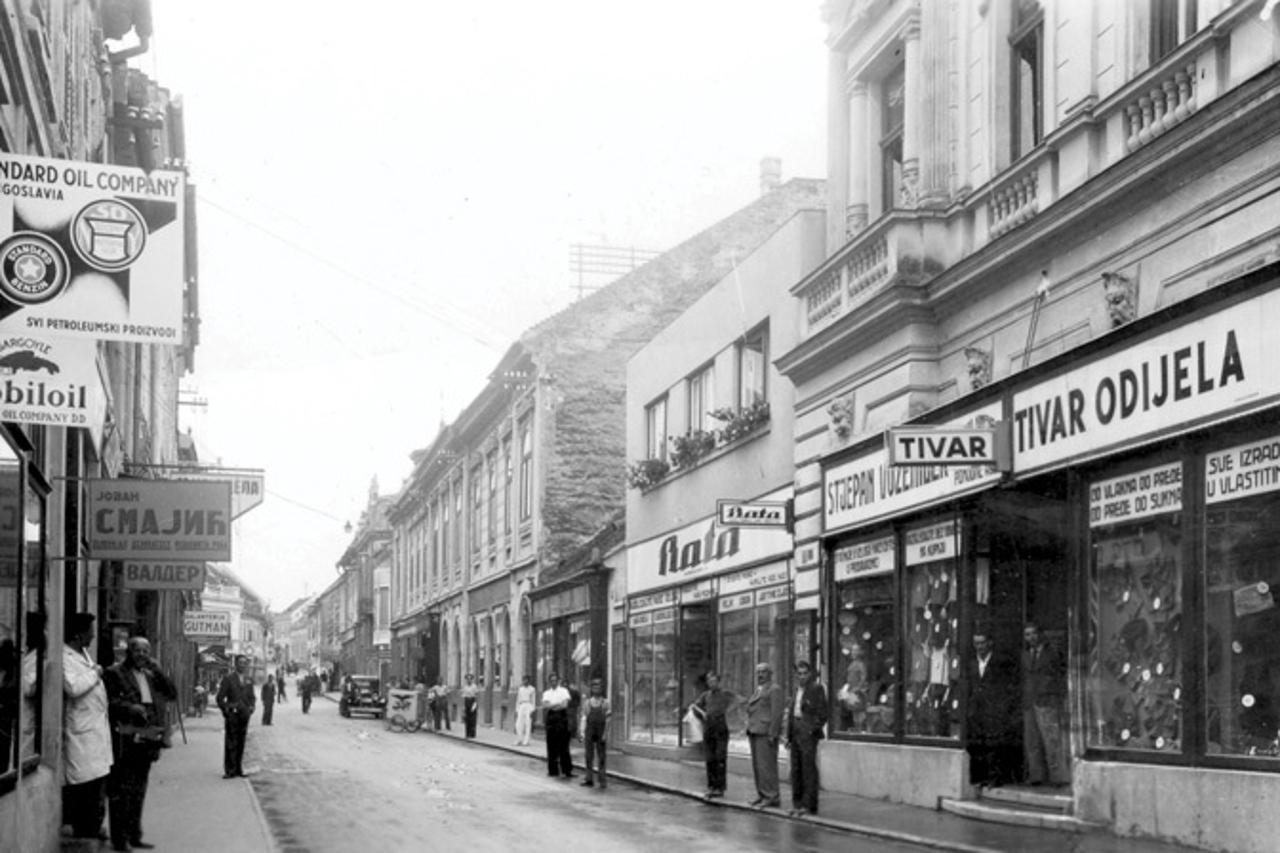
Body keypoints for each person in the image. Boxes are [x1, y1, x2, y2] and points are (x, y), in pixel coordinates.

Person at [103, 636, 176, 852]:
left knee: (139, 789)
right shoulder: (114, 673)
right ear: (128, 652)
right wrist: (129, 709)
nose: (142, 655)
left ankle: (135, 835)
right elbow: (107, 704)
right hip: (125, 738)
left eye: (146, 651)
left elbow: (171, 693)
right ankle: (120, 839)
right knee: (121, 789)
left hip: (147, 738)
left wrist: (159, 670)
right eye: (137, 651)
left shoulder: (150, 675)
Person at [62, 613, 112, 841]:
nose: (93, 636)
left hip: (93, 730)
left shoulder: (82, 654)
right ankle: (86, 832)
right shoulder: (63, 657)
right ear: (78, 634)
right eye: (90, 632)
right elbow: (73, 687)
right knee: (85, 786)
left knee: (97, 783)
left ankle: (93, 827)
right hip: (81, 733)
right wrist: (95, 672)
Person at [968, 631, 1018, 787]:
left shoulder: (1001, 662)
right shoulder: (972, 663)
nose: (979, 647)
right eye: (976, 643)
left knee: (995, 744)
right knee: (980, 743)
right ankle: (982, 777)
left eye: (982, 643)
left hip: (996, 709)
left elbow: (1010, 685)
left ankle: (996, 777)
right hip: (978, 710)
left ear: (989, 643)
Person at [1022, 622, 1067, 786]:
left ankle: (1057, 776)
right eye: (1027, 635)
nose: (1031, 638)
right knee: (1032, 741)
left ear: (1040, 634)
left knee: (1051, 740)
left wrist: (1055, 694)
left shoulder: (1052, 653)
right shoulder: (1025, 655)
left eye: (1033, 633)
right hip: (1029, 701)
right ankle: (1036, 776)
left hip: (1047, 700)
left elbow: (1059, 675)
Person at [785, 660, 828, 817]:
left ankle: (809, 805)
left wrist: (811, 729)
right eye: (799, 673)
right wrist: (789, 735)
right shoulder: (797, 689)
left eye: (804, 673)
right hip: (796, 731)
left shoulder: (816, 689)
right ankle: (797, 804)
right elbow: (792, 712)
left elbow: (823, 713)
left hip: (807, 733)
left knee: (808, 769)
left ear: (810, 674)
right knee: (796, 770)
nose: (802, 676)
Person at [692, 671, 738, 799]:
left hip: (720, 726)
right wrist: (702, 715)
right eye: (709, 681)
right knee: (710, 758)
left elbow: (739, 700)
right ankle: (711, 786)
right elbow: (695, 707)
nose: (712, 683)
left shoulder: (725, 694)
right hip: (709, 727)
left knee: (720, 757)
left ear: (718, 682)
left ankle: (720, 787)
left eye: (714, 681)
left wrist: (728, 711)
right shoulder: (705, 696)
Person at [744, 661, 785, 809]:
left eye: (764, 672)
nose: (760, 675)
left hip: (765, 733)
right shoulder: (758, 689)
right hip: (755, 731)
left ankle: (772, 796)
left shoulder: (774, 689)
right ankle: (762, 794)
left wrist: (773, 733)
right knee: (758, 767)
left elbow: (776, 713)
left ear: (770, 674)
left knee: (767, 766)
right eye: (758, 672)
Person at [216, 655, 255, 779]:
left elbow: (252, 697)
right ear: (235, 664)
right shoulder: (228, 679)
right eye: (240, 663)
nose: (243, 665)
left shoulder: (248, 680)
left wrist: (251, 707)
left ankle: (239, 769)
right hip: (233, 715)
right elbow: (219, 698)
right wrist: (227, 710)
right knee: (231, 743)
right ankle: (230, 770)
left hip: (244, 716)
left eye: (245, 663)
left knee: (241, 742)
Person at [579, 677, 611, 788]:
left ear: (602, 688)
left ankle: (602, 779)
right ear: (592, 689)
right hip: (590, 731)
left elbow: (608, 720)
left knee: (601, 756)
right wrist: (582, 732)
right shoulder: (588, 703)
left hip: (601, 731)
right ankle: (589, 778)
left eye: (599, 686)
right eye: (594, 686)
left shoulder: (605, 703)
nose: (597, 688)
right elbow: (584, 718)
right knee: (588, 756)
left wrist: (605, 734)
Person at [541, 672, 573, 778]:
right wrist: (556, 705)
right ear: (549, 682)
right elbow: (545, 706)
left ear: (558, 681)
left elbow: (564, 705)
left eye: (555, 680)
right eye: (552, 680)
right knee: (551, 745)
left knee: (564, 746)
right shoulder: (546, 693)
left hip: (561, 719)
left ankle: (566, 770)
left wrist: (552, 705)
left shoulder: (564, 691)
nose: (554, 682)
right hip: (551, 719)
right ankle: (553, 770)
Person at [514, 675, 536, 745]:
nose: (524, 681)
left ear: (528, 681)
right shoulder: (520, 689)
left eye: (526, 680)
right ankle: (519, 739)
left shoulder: (532, 689)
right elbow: (518, 699)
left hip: (528, 705)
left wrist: (532, 710)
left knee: (528, 723)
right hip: (521, 705)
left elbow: (533, 700)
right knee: (518, 724)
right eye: (523, 680)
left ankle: (526, 740)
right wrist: (517, 709)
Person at [461, 673, 479, 739]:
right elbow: (463, 697)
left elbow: (476, 696)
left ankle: (472, 733)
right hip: (467, 702)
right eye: (467, 679)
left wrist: (475, 704)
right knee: (467, 718)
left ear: (472, 680)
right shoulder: (465, 687)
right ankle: (467, 733)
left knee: (473, 719)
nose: (469, 680)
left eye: (470, 679)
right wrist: (463, 706)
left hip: (472, 702)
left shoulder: (474, 686)